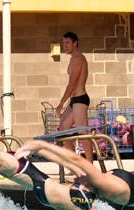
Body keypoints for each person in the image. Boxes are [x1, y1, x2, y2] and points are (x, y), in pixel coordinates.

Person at [56, 32, 93, 163]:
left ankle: (90, 166)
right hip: (74, 101)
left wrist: (61, 103)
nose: (64, 46)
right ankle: (77, 163)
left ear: (75, 43)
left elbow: (72, 84)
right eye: (63, 43)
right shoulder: (73, 58)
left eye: (67, 43)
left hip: (80, 99)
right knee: (62, 130)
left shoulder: (79, 59)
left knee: (83, 134)